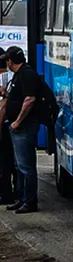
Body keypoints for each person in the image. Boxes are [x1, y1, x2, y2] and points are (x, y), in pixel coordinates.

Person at [3, 46, 44, 214]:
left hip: (24, 127)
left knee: (26, 167)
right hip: (17, 126)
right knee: (19, 165)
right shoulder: (19, 75)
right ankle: (21, 199)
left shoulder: (27, 74)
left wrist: (17, 121)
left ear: (10, 61)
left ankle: (29, 201)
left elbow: (29, 100)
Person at [0, 51, 17, 205]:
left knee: (5, 161)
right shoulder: (10, 76)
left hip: (6, 125)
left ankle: (7, 193)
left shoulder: (8, 77)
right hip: (9, 124)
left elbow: (4, 105)